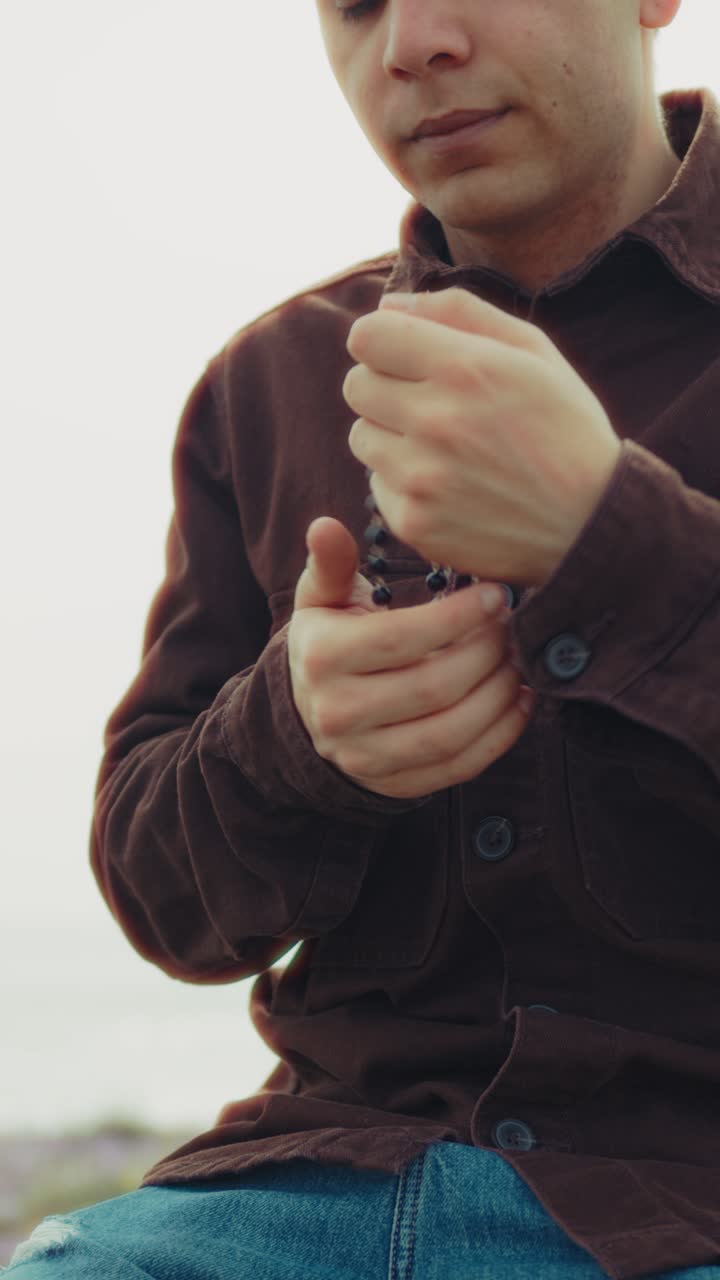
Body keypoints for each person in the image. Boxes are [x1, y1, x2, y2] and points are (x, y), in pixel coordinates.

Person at [7, 0, 720, 1276]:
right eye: (354, 4)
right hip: (300, 1192)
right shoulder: (266, 383)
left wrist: (611, 543)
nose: (410, 45)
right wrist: (291, 739)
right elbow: (160, 895)